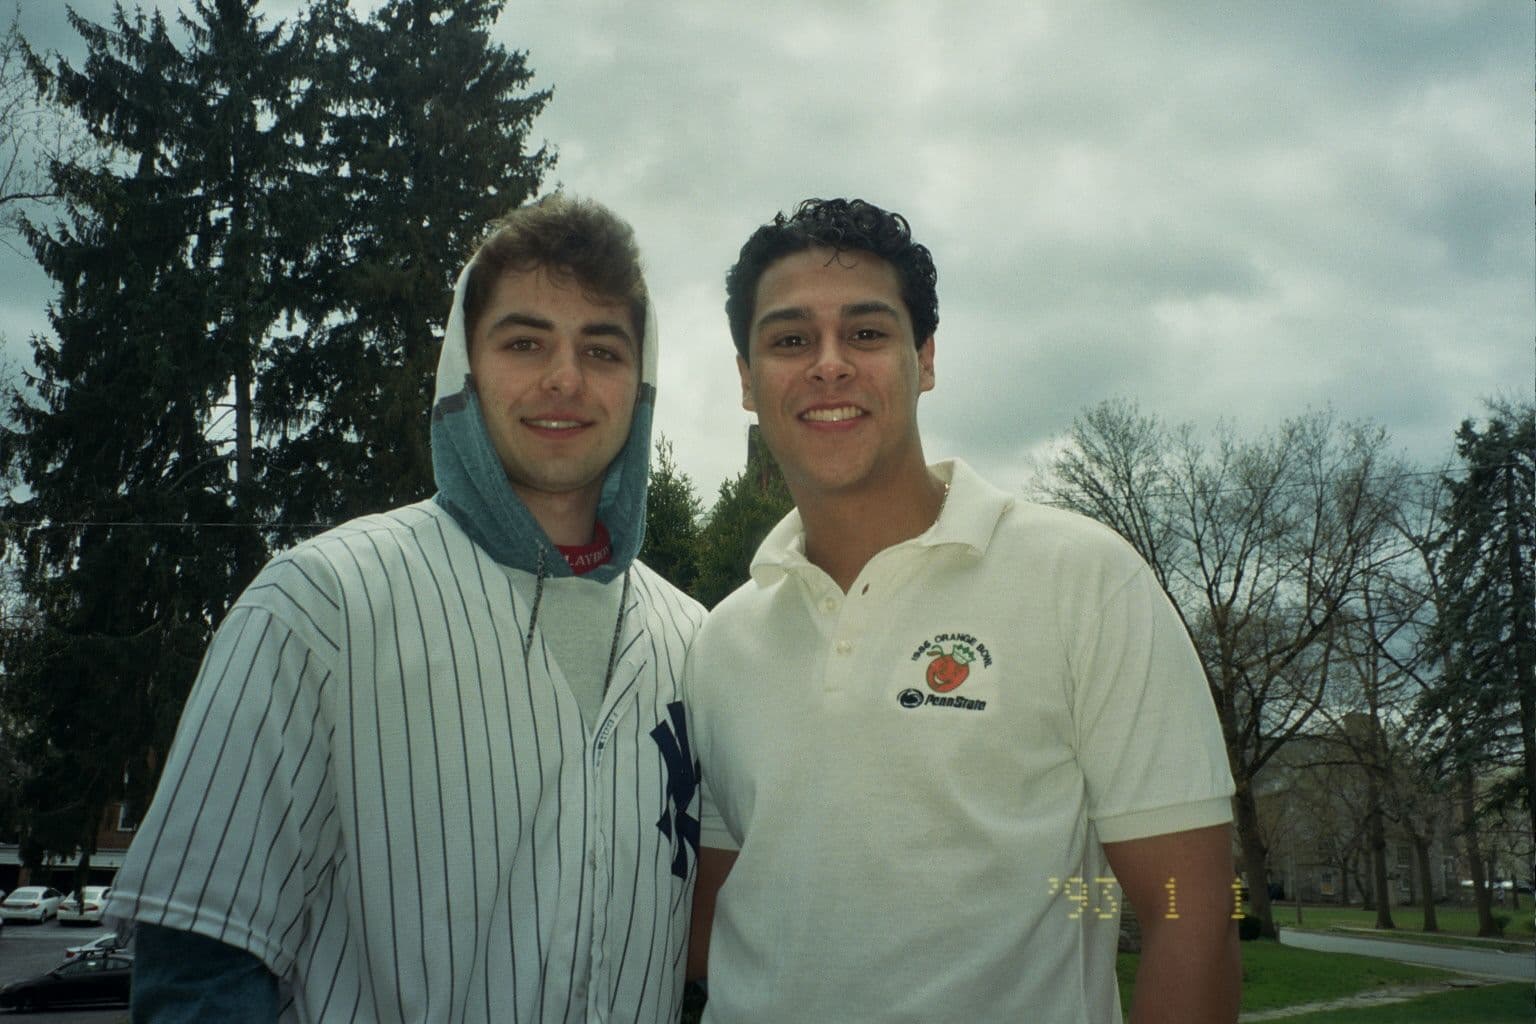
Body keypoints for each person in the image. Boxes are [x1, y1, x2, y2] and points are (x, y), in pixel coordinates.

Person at [108, 195, 706, 1023]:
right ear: (466, 367)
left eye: (601, 349)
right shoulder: (319, 602)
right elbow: (202, 968)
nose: (565, 378)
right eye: (525, 342)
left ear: (639, 384)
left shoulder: (695, 641)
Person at [686, 198, 1240, 1023]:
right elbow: (721, 916)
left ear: (926, 359)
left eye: (866, 333)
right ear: (745, 379)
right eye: (790, 340)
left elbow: (1187, 911)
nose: (829, 365)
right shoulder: (721, 640)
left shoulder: (1084, 580)